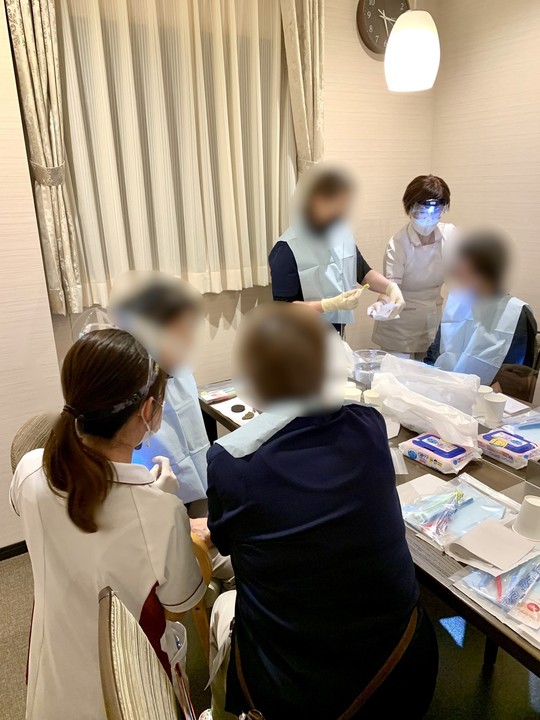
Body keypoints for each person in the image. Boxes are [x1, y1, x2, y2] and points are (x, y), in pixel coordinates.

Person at [205, 303, 438, 720]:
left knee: (225, 604)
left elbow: (225, 544)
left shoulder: (231, 463)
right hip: (404, 669)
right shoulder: (369, 426)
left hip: (298, 694)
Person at [10, 329, 206, 720]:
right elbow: (179, 607)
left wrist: (148, 497)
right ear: (147, 412)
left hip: (51, 675)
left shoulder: (30, 470)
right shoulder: (161, 514)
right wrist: (158, 500)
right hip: (129, 685)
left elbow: (73, 509)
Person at [109, 271, 234, 588]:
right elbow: (133, 513)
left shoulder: (175, 370)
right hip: (157, 524)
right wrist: (189, 525)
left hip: (182, 501)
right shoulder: (132, 391)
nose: (188, 340)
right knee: (249, 551)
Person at [269, 165, 405, 332]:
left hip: (335, 332)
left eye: (346, 205)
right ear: (317, 200)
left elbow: (363, 273)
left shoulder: (340, 233)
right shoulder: (287, 248)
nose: (343, 211)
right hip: (302, 337)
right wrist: (328, 305)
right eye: (339, 205)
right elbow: (283, 310)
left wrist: (391, 288)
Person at [424, 230, 537, 385]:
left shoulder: (515, 313)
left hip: (487, 395)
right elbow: (433, 355)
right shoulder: (456, 302)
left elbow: (518, 377)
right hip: (442, 388)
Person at [372, 174, 456, 359]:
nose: (429, 218)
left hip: (432, 320)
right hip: (400, 325)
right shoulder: (398, 244)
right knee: (397, 373)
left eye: (436, 211)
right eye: (422, 211)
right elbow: (390, 288)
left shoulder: (450, 235)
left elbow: (464, 273)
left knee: (427, 372)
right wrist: (381, 304)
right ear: (409, 209)